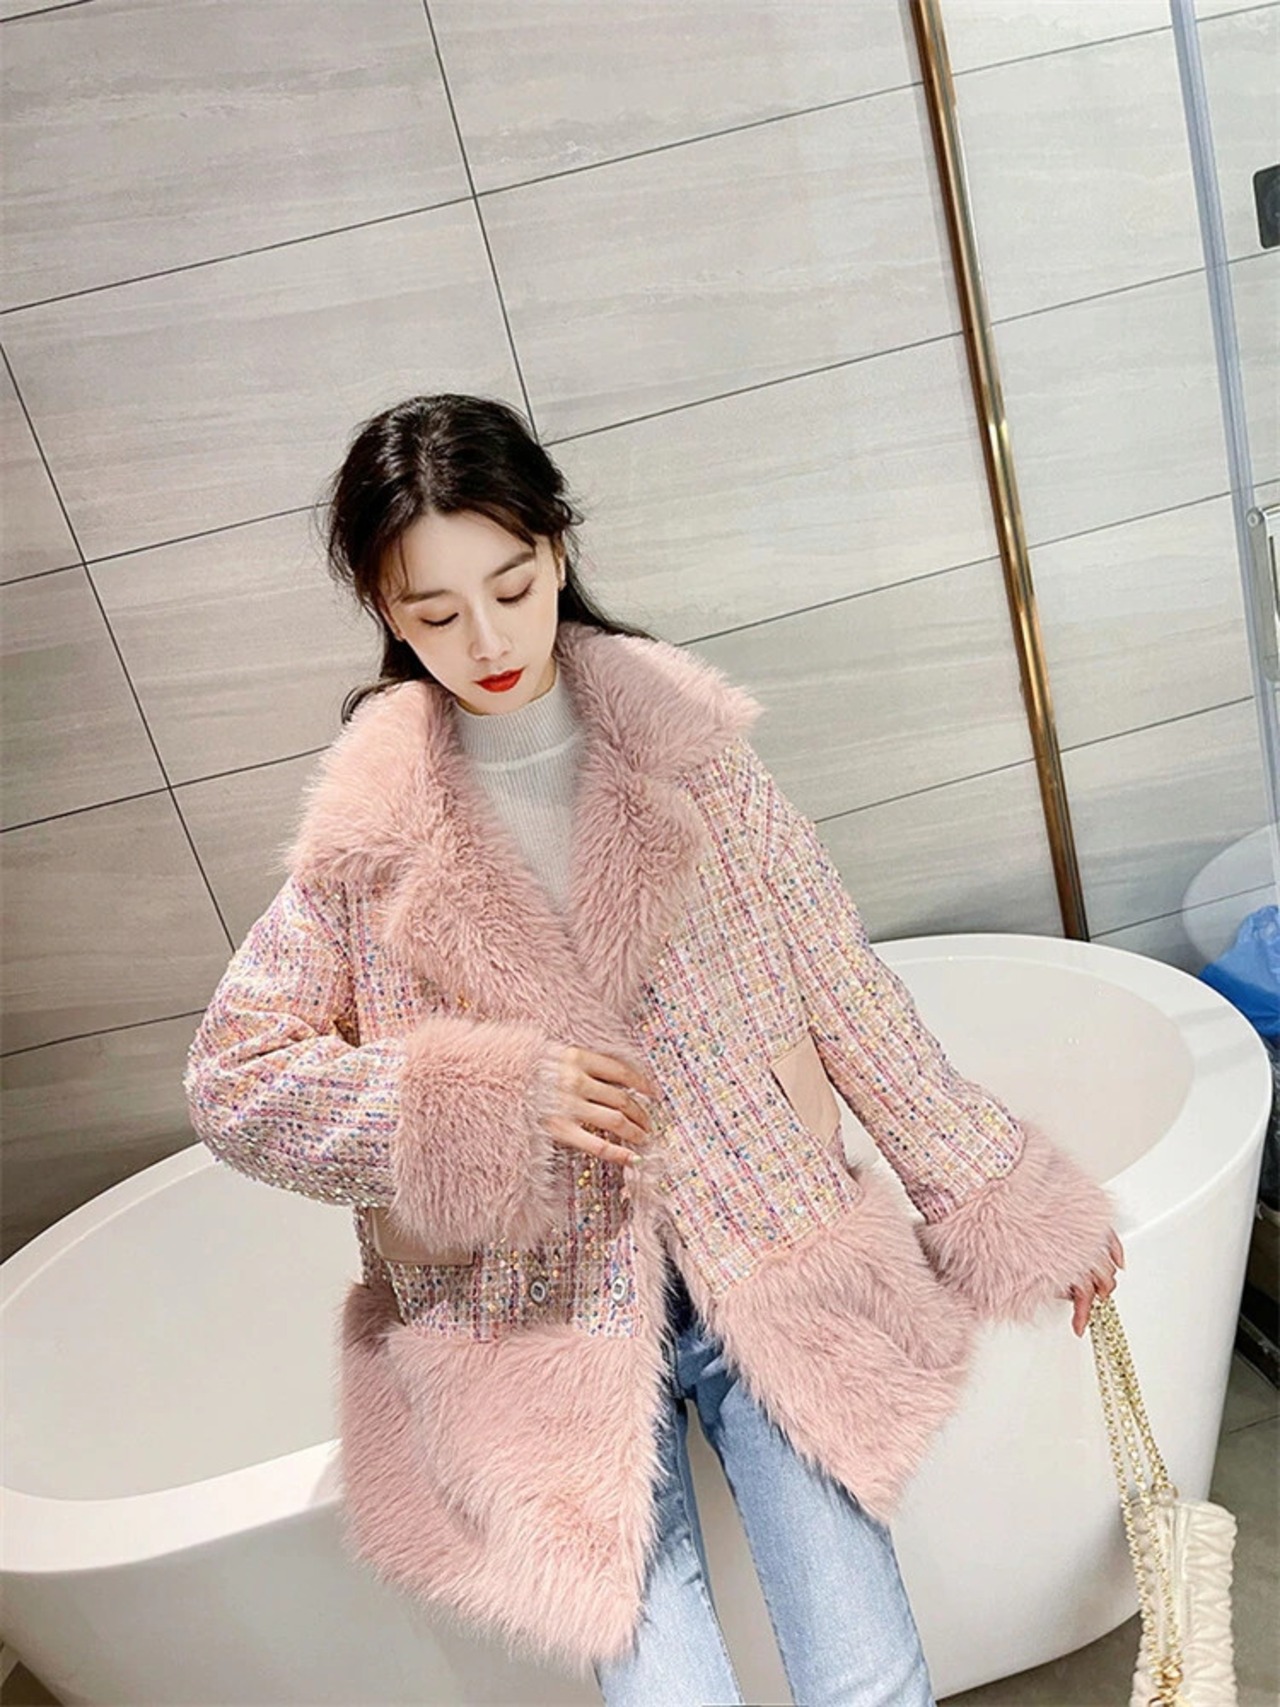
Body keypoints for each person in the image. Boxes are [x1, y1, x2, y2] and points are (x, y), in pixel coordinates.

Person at [183, 392, 1124, 1706]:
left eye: (511, 587)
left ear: (557, 546)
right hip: (534, 1322)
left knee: (869, 1679)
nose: (485, 640)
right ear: (385, 611)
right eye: (434, 613)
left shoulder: (697, 762)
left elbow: (841, 987)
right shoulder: (370, 839)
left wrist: (1001, 1196)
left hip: (772, 1259)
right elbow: (235, 1082)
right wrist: (492, 1100)